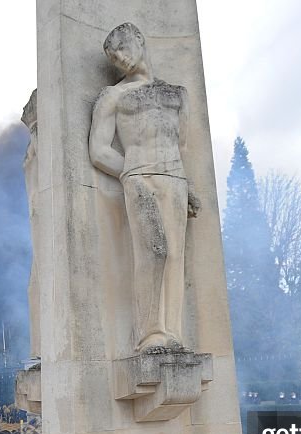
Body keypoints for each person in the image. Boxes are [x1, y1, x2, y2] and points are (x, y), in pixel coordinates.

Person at [89, 22, 200, 354]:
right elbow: (98, 150)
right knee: (155, 251)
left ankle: (173, 334)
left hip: (174, 179)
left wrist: (187, 186)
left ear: (139, 39)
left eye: (122, 48)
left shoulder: (177, 94)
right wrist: (133, 171)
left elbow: (181, 144)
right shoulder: (113, 95)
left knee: (176, 257)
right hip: (138, 176)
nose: (120, 58)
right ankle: (150, 334)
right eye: (113, 57)